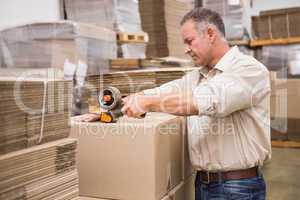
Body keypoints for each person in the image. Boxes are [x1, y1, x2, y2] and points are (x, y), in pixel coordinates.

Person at [81, 7, 271, 200]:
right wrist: (113, 109)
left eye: (190, 41)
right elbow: (160, 92)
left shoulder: (249, 70)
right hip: (205, 185)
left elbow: (204, 100)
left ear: (211, 34)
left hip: (237, 188)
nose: (186, 49)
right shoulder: (198, 77)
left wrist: (147, 103)